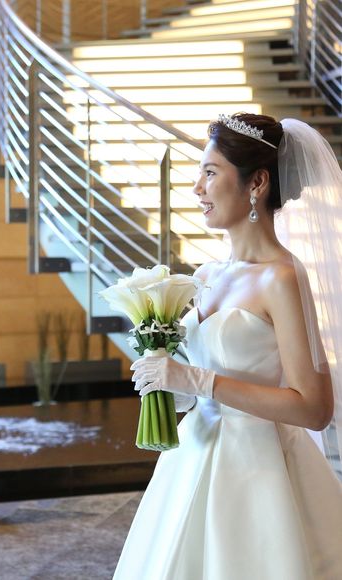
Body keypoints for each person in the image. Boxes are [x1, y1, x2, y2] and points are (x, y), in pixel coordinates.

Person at [113, 113, 342, 580]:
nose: (197, 187)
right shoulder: (205, 275)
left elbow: (314, 408)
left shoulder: (282, 278)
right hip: (190, 458)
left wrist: (198, 380)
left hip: (257, 472)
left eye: (211, 172)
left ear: (256, 183)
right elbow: (200, 380)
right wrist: (169, 384)